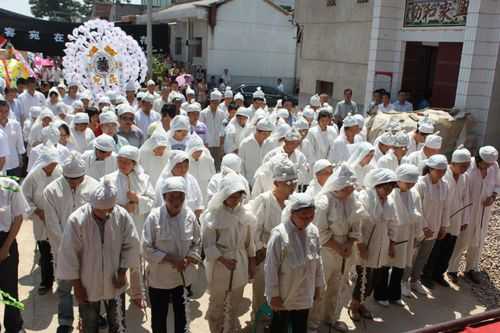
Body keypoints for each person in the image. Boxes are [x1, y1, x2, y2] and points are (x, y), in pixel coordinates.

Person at [56, 180, 140, 333]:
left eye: (109, 209)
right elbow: (69, 255)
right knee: (89, 324)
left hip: (115, 280)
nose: (105, 213)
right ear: (92, 204)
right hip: (87, 283)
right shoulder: (77, 220)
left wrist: (122, 273)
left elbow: (131, 245)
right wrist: (78, 286)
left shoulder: (121, 216)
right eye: (100, 210)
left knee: (118, 324)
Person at [43, 152, 100, 332]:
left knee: (89, 287)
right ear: (64, 175)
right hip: (62, 249)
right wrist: (69, 247)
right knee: (65, 287)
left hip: (89, 248)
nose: (74, 183)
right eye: (70, 179)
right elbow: (52, 224)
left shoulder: (94, 187)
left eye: (78, 179)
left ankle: (91, 318)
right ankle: (65, 321)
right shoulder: (51, 191)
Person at [143, 177, 202, 333]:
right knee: (159, 318)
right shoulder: (154, 217)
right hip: (159, 279)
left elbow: (197, 242)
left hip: (182, 278)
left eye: (180, 197)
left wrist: (189, 258)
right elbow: (146, 248)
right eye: (172, 197)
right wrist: (171, 259)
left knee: (182, 318)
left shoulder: (189, 216)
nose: (176, 201)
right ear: (164, 198)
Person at [309, 164, 363, 333]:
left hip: (346, 249)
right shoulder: (323, 201)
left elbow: (357, 225)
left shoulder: (352, 199)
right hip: (326, 250)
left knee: (339, 285)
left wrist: (349, 243)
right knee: (321, 287)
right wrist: (338, 247)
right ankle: (313, 323)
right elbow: (320, 232)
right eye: (347, 186)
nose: (350, 189)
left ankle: (332, 318)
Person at [202, 173, 256, 332]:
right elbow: (208, 245)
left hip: (240, 263)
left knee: (234, 304)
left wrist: (251, 264)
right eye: (231, 195)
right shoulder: (213, 216)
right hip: (219, 266)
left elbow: (249, 243)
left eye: (238, 196)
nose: (235, 199)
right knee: (217, 304)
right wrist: (224, 260)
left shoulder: (245, 215)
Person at [265, 192, 324, 333]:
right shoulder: (279, 235)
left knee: (300, 325)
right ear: (292, 214)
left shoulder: (313, 231)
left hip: (305, 290)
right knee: (280, 325)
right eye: (303, 217)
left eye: (311, 216)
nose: (307, 220)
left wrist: (318, 286)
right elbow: (271, 267)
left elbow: (318, 261)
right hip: (286, 291)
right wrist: (274, 295)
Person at [104, 145, 155, 308]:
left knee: (136, 260)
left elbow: (152, 201)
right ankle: (114, 292)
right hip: (115, 226)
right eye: (120, 161)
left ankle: (137, 293)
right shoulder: (108, 180)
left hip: (138, 225)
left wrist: (138, 199)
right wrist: (123, 208)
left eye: (127, 162)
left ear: (134, 163)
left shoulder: (144, 179)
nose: (123, 165)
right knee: (115, 260)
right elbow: (102, 204)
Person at [250, 158, 297, 321]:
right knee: (262, 291)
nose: (292, 186)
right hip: (266, 254)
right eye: (288, 183)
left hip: (289, 256)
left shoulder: (295, 202)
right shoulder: (264, 200)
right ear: (277, 183)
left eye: (294, 182)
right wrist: (263, 247)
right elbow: (254, 231)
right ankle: (260, 319)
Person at [349, 168, 397, 322]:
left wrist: (392, 244)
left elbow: (392, 223)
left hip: (380, 247)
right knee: (363, 278)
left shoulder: (389, 202)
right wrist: (360, 244)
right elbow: (358, 224)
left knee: (374, 279)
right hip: (365, 246)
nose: (389, 191)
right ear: (378, 185)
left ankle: (362, 303)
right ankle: (354, 306)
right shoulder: (365, 198)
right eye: (386, 187)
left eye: (391, 187)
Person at [448, 146, 500, 284]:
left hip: (484, 210)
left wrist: (493, 196)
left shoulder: (494, 166)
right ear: (478, 159)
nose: (488, 167)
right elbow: (462, 192)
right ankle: (452, 268)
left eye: (490, 164)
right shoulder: (468, 166)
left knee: (479, 239)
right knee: (463, 239)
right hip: (469, 210)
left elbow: (497, 185)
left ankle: (472, 268)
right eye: (485, 164)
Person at [373, 163, 423, 305]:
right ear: (399, 180)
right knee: (385, 265)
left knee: (400, 266)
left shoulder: (414, 194)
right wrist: (390, 240)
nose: (410, 186)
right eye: (408, 183)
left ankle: (395, 295)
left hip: (407, 235)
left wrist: (418, 234)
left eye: (413, 183)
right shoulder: (391, 194)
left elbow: (419, 213)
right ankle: (381, 295)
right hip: (391, 235)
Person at [423, 147, 471, 287]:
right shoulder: (443, 174)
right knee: (435, 249)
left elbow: (466, 198)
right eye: (462, 166)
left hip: (456, 219)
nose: (465, 169)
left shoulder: (465, 177)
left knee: (447, 249)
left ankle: (439, 274)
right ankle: (427, 275)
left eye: (467, 166)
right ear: (453, 164)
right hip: (442, 217)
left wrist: (465, 219)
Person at [22, 147, 62, 295]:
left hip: (58, 219)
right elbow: (24, 197)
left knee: (59, 251)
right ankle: (46, 282)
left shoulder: (60, 173)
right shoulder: (33, 177)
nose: (53, 166)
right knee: (45, 252)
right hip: (41, 220)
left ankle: (62, 282)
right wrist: (37, 211)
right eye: (51, 163)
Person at [410, 154, 450, 294]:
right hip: (419, 228)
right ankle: (403, 282)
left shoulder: (444, 186)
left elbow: (446, 207)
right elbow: (416, 207)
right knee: (411, 256)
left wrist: (444, 226)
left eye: (444, 171)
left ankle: (415, 280)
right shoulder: (420, 184)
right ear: (430, 169)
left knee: (423, 257)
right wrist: (424, 226)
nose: (441, 174)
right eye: (439, 170)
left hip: (434, 227)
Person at [0, 172, 29, 333]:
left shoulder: (11, 186)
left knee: (9, 287)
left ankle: (13, 326)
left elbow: (18, 218)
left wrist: (5, 248)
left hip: (6, 240)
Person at [156, 150, 204, 218]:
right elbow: (161, 204)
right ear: (172, 166)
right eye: (179, 167)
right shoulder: (163, 182)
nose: (183, 170)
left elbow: (199, 202)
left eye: (186, 166)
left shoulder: (191, 180)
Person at [238, 117, 274, 186]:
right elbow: (241, 166)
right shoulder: (245, 144)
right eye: (264, 134)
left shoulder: (271, 143)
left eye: (269, 134)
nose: (267, 137)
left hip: (267, 183)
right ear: (257, 131)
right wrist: (244, 183)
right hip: (250, 183)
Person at [200, 89, 226, 170]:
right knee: (207, 165)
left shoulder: (222, 113)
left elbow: (223, 129)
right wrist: (204, 142)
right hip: (207, 144)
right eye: (213, 102)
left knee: (217, 165)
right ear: (210, 101)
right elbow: (201, 129)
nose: (215, 104)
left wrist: (221, 144)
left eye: (217, 102)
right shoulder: (203, 113)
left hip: (218, 143)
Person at [187, 137, 216, 205]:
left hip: (206, 191)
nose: (198, 153)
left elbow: (213, 175)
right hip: (192, 193)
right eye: (196, 152)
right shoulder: (186, 161)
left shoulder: (207, 159)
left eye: (200, 151)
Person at [0, 99, 25, 176]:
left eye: (6, 111)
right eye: (1, 111)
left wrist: (21, 158)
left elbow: (20, 143)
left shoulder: (15, 124)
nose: (3, 114)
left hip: (14, 163)